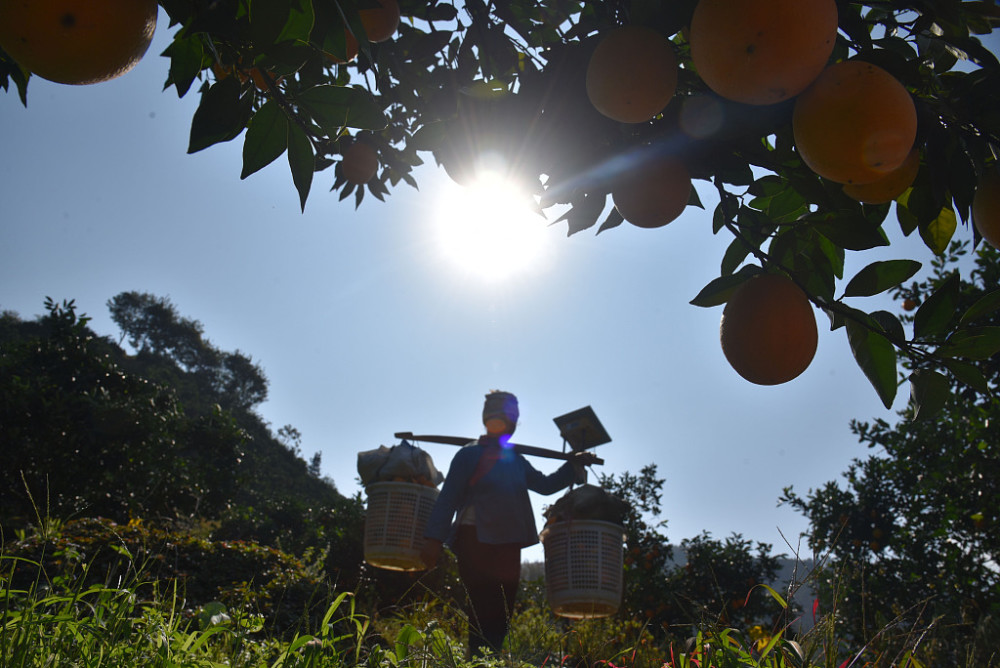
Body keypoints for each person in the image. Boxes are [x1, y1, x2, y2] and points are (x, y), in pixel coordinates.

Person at [420, 390, 597, 658]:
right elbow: (448, 499)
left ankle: (488, 659)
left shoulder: (515, 459)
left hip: (508, 544)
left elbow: (545, 485)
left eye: (510, 418)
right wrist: (433, 540)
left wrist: (573, 464)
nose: (504, 422)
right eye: (501, 416)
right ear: (488, 419)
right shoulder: (469, 455)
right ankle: (478, 659)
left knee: (502, 611)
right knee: (482, 609)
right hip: (475, 539)